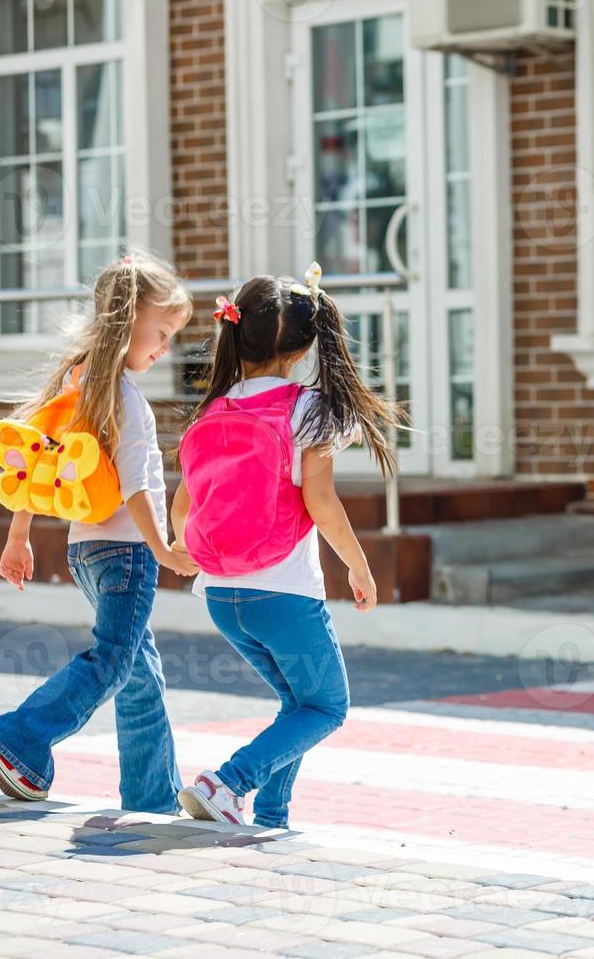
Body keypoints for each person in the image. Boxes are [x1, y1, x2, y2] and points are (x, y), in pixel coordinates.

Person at [170, 264, 402, 828]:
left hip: (222, 595)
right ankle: (227, 782)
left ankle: (273, 815)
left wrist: (178, 547)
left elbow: (184, 502)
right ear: (303, 351)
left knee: (298, 704)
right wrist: (361, 568)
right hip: (283, 593)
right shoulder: (309, 409)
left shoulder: (215, 408)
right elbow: (322, 502)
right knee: (326, 706)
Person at [0, 253, 199, 813]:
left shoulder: (78, 383)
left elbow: (35, 461)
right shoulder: (123, 398)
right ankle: (19, 738)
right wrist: (164, 550)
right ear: (128, 320)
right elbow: (137, 490)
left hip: (86, 551)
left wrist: (18, 535)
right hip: (126, 553)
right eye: (162, 332)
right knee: (113, 661)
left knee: (139, 673)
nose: (165, 347)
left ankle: (152, 799)